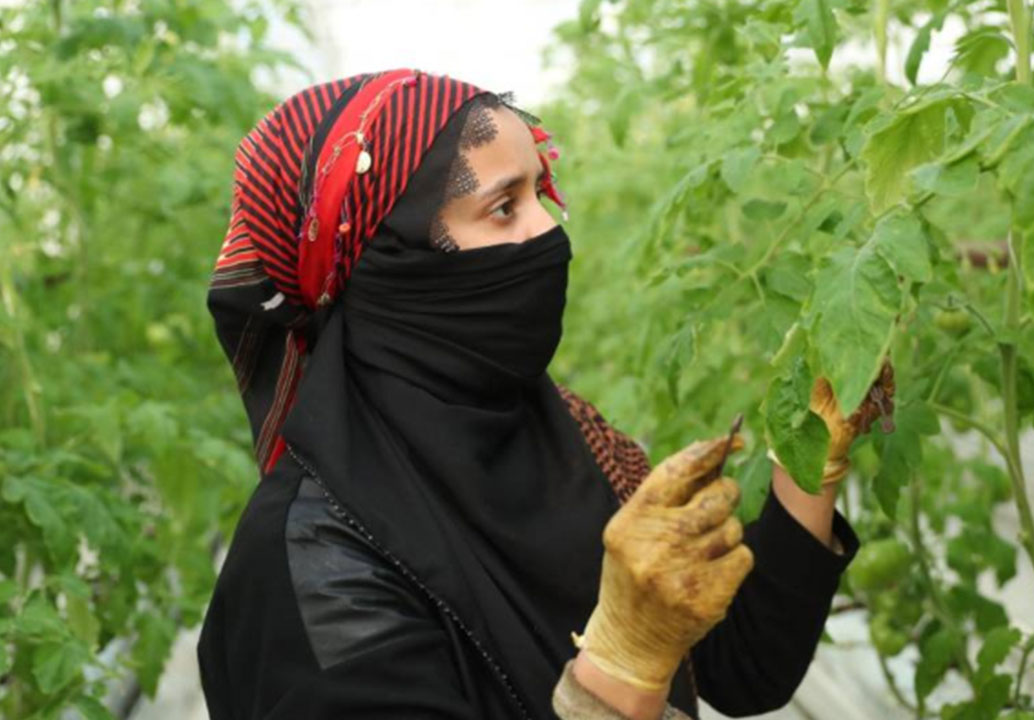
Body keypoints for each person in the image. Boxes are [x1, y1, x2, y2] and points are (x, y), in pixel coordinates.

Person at [196, 68, 885, 719]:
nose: (548, 231)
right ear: (391, 258)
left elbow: (737, 666)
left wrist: (810, 461)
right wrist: (621, 662)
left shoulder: (559, 431)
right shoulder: (314, 573)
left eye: (539, 192)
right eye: (503, 208)